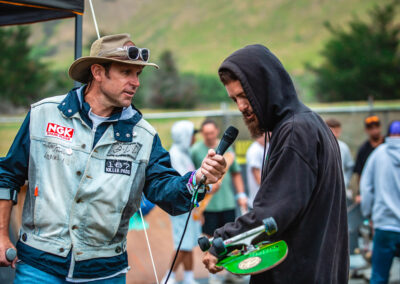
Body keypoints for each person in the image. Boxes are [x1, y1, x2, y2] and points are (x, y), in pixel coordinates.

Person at [0, 34, 226, 283]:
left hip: (104, 273)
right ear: (97, 72)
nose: (135, 82)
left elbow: (166, 190)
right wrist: (1, 236)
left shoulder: (144, 136)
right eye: (126, 72)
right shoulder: (43, 115)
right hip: (38, 267)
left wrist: (198, 179)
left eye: (138, 74)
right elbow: (8, 176)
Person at [202, 45, 349, 283]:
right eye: (234, 99)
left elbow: (273, 213)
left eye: (244, 95)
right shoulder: (308, 124)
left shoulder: (295, 133)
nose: (240, 107)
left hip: (297, 273)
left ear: (266, 88)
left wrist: (222, 241)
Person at [191, 119, 247, 284]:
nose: (209, 135)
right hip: (208, 206)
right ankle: (213, 276)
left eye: (212, 132)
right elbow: (191, 178)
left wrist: (241, 194)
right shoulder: (195, 151)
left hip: (228, 203)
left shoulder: (228, 150)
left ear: (217, 131)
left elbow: (236, 173)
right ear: (202, 133)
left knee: (231, 240)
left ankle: (231, 272)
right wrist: (197, 207)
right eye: (206, 133)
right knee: (209, 240)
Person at [360, 120, 400, 284]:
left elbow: (366, 189)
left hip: (384, 224)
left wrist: (368, 215)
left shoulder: (378, 154)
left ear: (388, 134)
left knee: (379, 276)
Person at [162, 120, 201, 284]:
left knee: (189, 241)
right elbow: (186, 181)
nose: (194, 138)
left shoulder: (184, 153)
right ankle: (168, 277)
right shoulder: (175, 155)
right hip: (180, 207)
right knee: (183, 243)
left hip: (189, 206)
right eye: (192, 134)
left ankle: (189, 277)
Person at [354, 115, 384, 186]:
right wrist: (360, 192)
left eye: (376, 127)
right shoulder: (363, 150)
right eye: (371, 128)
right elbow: (360, 173)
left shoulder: (388, 145)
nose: (375, 131)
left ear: (380, 127)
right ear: (366, 130)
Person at [325, 118, 354, 190]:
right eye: (332, 131)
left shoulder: (344, 147)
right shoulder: (321, 147)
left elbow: (349, 166)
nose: (334, 133)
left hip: (340, 188)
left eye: (337, 131)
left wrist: (345, 181)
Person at [245, 133, 268, 207]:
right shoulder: (254, 150)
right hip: (258, 203)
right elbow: (258, 177)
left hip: (267, 201)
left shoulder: (268, 146)